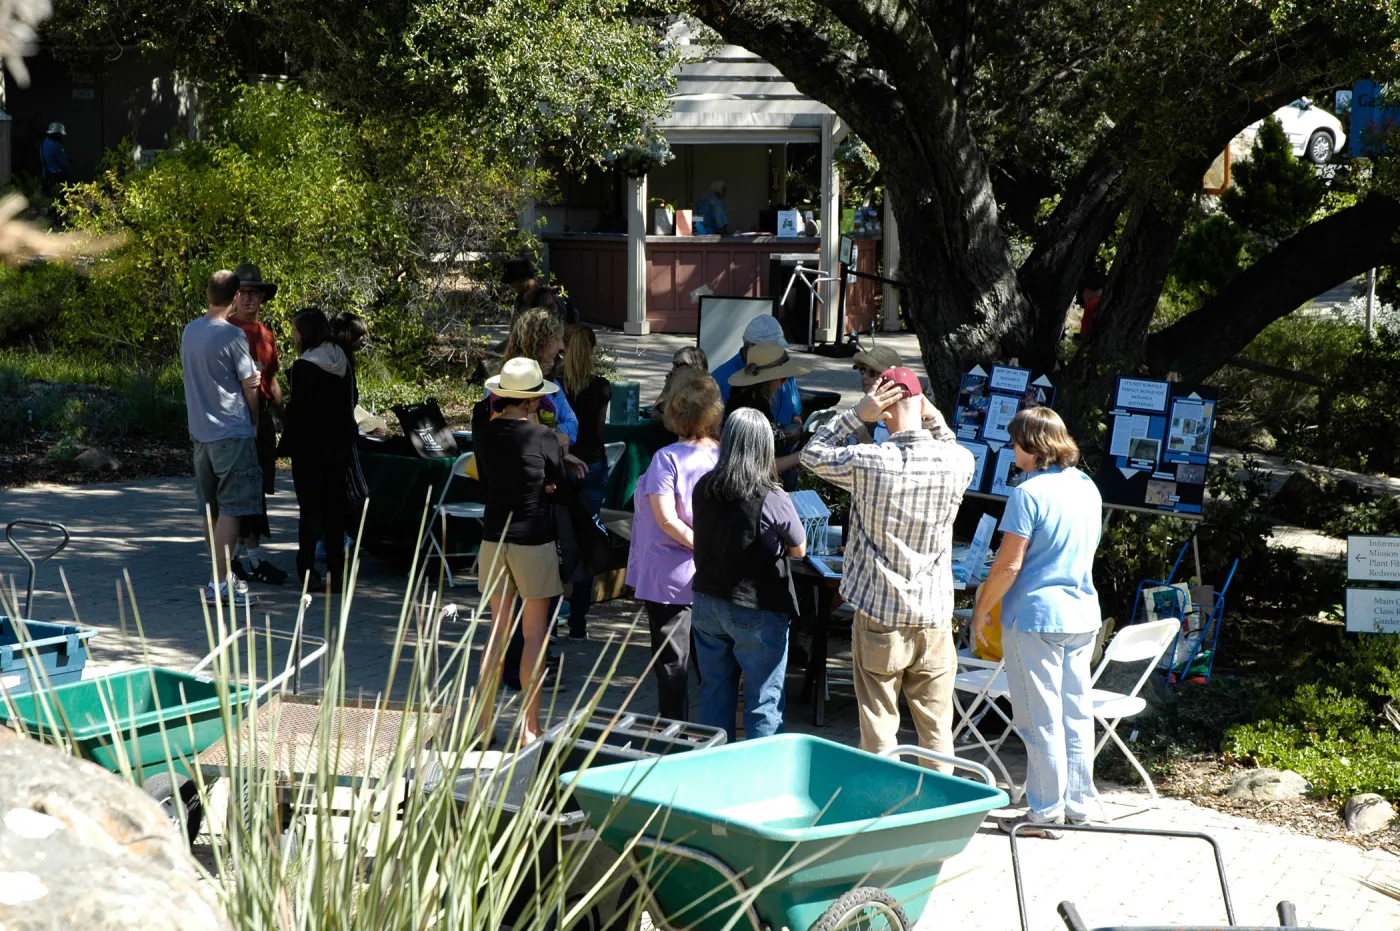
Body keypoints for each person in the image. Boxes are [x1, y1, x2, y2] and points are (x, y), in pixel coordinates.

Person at [799, 367, 975, 769]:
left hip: (880, 612)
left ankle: (880, 810)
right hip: (933, 614)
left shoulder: (870, 461)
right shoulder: (958, 461)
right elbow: (948, 440)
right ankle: (937, 808)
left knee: (879, 725)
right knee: (935, 728)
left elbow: (812, 455)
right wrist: (933, 416)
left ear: (884, 412)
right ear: (921, 403)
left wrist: (855, 415)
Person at [971, 406, 1103, 839]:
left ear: (1031, 445)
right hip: (1082, 613)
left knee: (1038, 717)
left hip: (1036, 617)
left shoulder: (1027, 494)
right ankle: (1080, 806)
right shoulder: (1087, 486)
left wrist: (982, 609)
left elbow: (1008, 566)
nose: (1011, 448)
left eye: (1014, 441)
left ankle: (1044, 814)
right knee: (1075, 714)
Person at [691, 408, 807, 741]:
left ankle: (712, 768)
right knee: (763, 701)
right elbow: (799, 548)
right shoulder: (771, 496)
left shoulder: (704, 487)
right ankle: (761, 778)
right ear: (764, 448)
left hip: (707, 601)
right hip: (756, 606)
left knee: (714, 693)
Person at [473, 357, 568, 744]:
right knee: (533, 635)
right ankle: (529, 729)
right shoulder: (542, 437)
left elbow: (486, 476)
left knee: (495, 634)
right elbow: (560, 482)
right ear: (530, 403)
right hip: (534, 539)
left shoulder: (484, 431)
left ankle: (481, 726)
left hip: (494, 538)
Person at [625, 370, 723, 721]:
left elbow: (666, 520)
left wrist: (701, 547)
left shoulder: (666, 458)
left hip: (670, 579)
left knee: (672, 665)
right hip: (713, 576)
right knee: (712, 664)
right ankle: (717, 731)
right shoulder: (722, 455)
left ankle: (674, 738)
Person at [180, 270, 263, 608]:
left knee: (209, 508)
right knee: (232, 508)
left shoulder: (190, 331)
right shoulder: (232, 336)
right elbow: (249, 385)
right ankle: (219, 584)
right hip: (231, 431)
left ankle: (220, 578)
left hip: (201, 434)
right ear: (233, 298)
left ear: (206, 292)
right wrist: (255, 419)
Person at [277, 308, 357, 591]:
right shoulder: (341, 358)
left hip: (310, 449)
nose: (293, 337)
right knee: (335, 510)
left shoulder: (305, 367)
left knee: (310, 511)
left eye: (295, 331)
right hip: (339, 445)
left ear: (306, 333)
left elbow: (300, 411)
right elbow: (352, 398)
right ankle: (337, 571)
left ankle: (307, 568)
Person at [227, 262, 289, 586]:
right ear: (234, 297)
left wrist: (283, 418)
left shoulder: (265, 334)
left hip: (261, 416)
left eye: (256, 293)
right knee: (243, 490)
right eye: (244, 293)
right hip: (235, 417)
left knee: (258, 488)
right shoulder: (226, 331)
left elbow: (271, 379)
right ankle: (249, 561)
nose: (250, 299)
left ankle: (244, 559)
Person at [559, 324, 612, 641]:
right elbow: (600, 432)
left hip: (565, 464)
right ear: (592, 351)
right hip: (592, 463)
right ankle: (579, 618)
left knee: (559, 538)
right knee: (587, 536)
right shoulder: (602, 386)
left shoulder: (556, 387)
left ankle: (552, 614)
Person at [724, 341, 811, 478]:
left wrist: (779, 434)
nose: (786, 382)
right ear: (770, 380)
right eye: (784, 378)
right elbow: (761, 468)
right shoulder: (753, 412)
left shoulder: (742, 396)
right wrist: (802, 456)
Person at [711, 315, 802, 428]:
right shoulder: (719, 379)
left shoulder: (784, 372)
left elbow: (795, 415)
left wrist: (797, 430)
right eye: (769, 350)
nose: (775, 355)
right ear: (748, 346)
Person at [849, 344, 902, 444]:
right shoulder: (861, 407)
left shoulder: (896, 413)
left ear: (889, 379)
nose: (864, 376)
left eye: (872, 373)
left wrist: (866, 440)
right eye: (863, 370)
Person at [502, 257, 579, 324]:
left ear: (525, 278)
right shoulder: (520, 299)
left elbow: (549, 333)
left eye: (512, 281)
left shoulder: (546, 300)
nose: (509, 285)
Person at [650, 346, 708, 423]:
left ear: (694, 368)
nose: (673, 369)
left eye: (678, 365)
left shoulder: (695, 395)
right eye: (673, 365)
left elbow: (656, 415)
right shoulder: (686, 389)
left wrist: (667, 388)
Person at [40, 123, 69, 197]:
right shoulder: (56, 146)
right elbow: (65, 163)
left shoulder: (43, 145)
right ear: (57, 134)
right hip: (57, 178)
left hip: (46, 177)